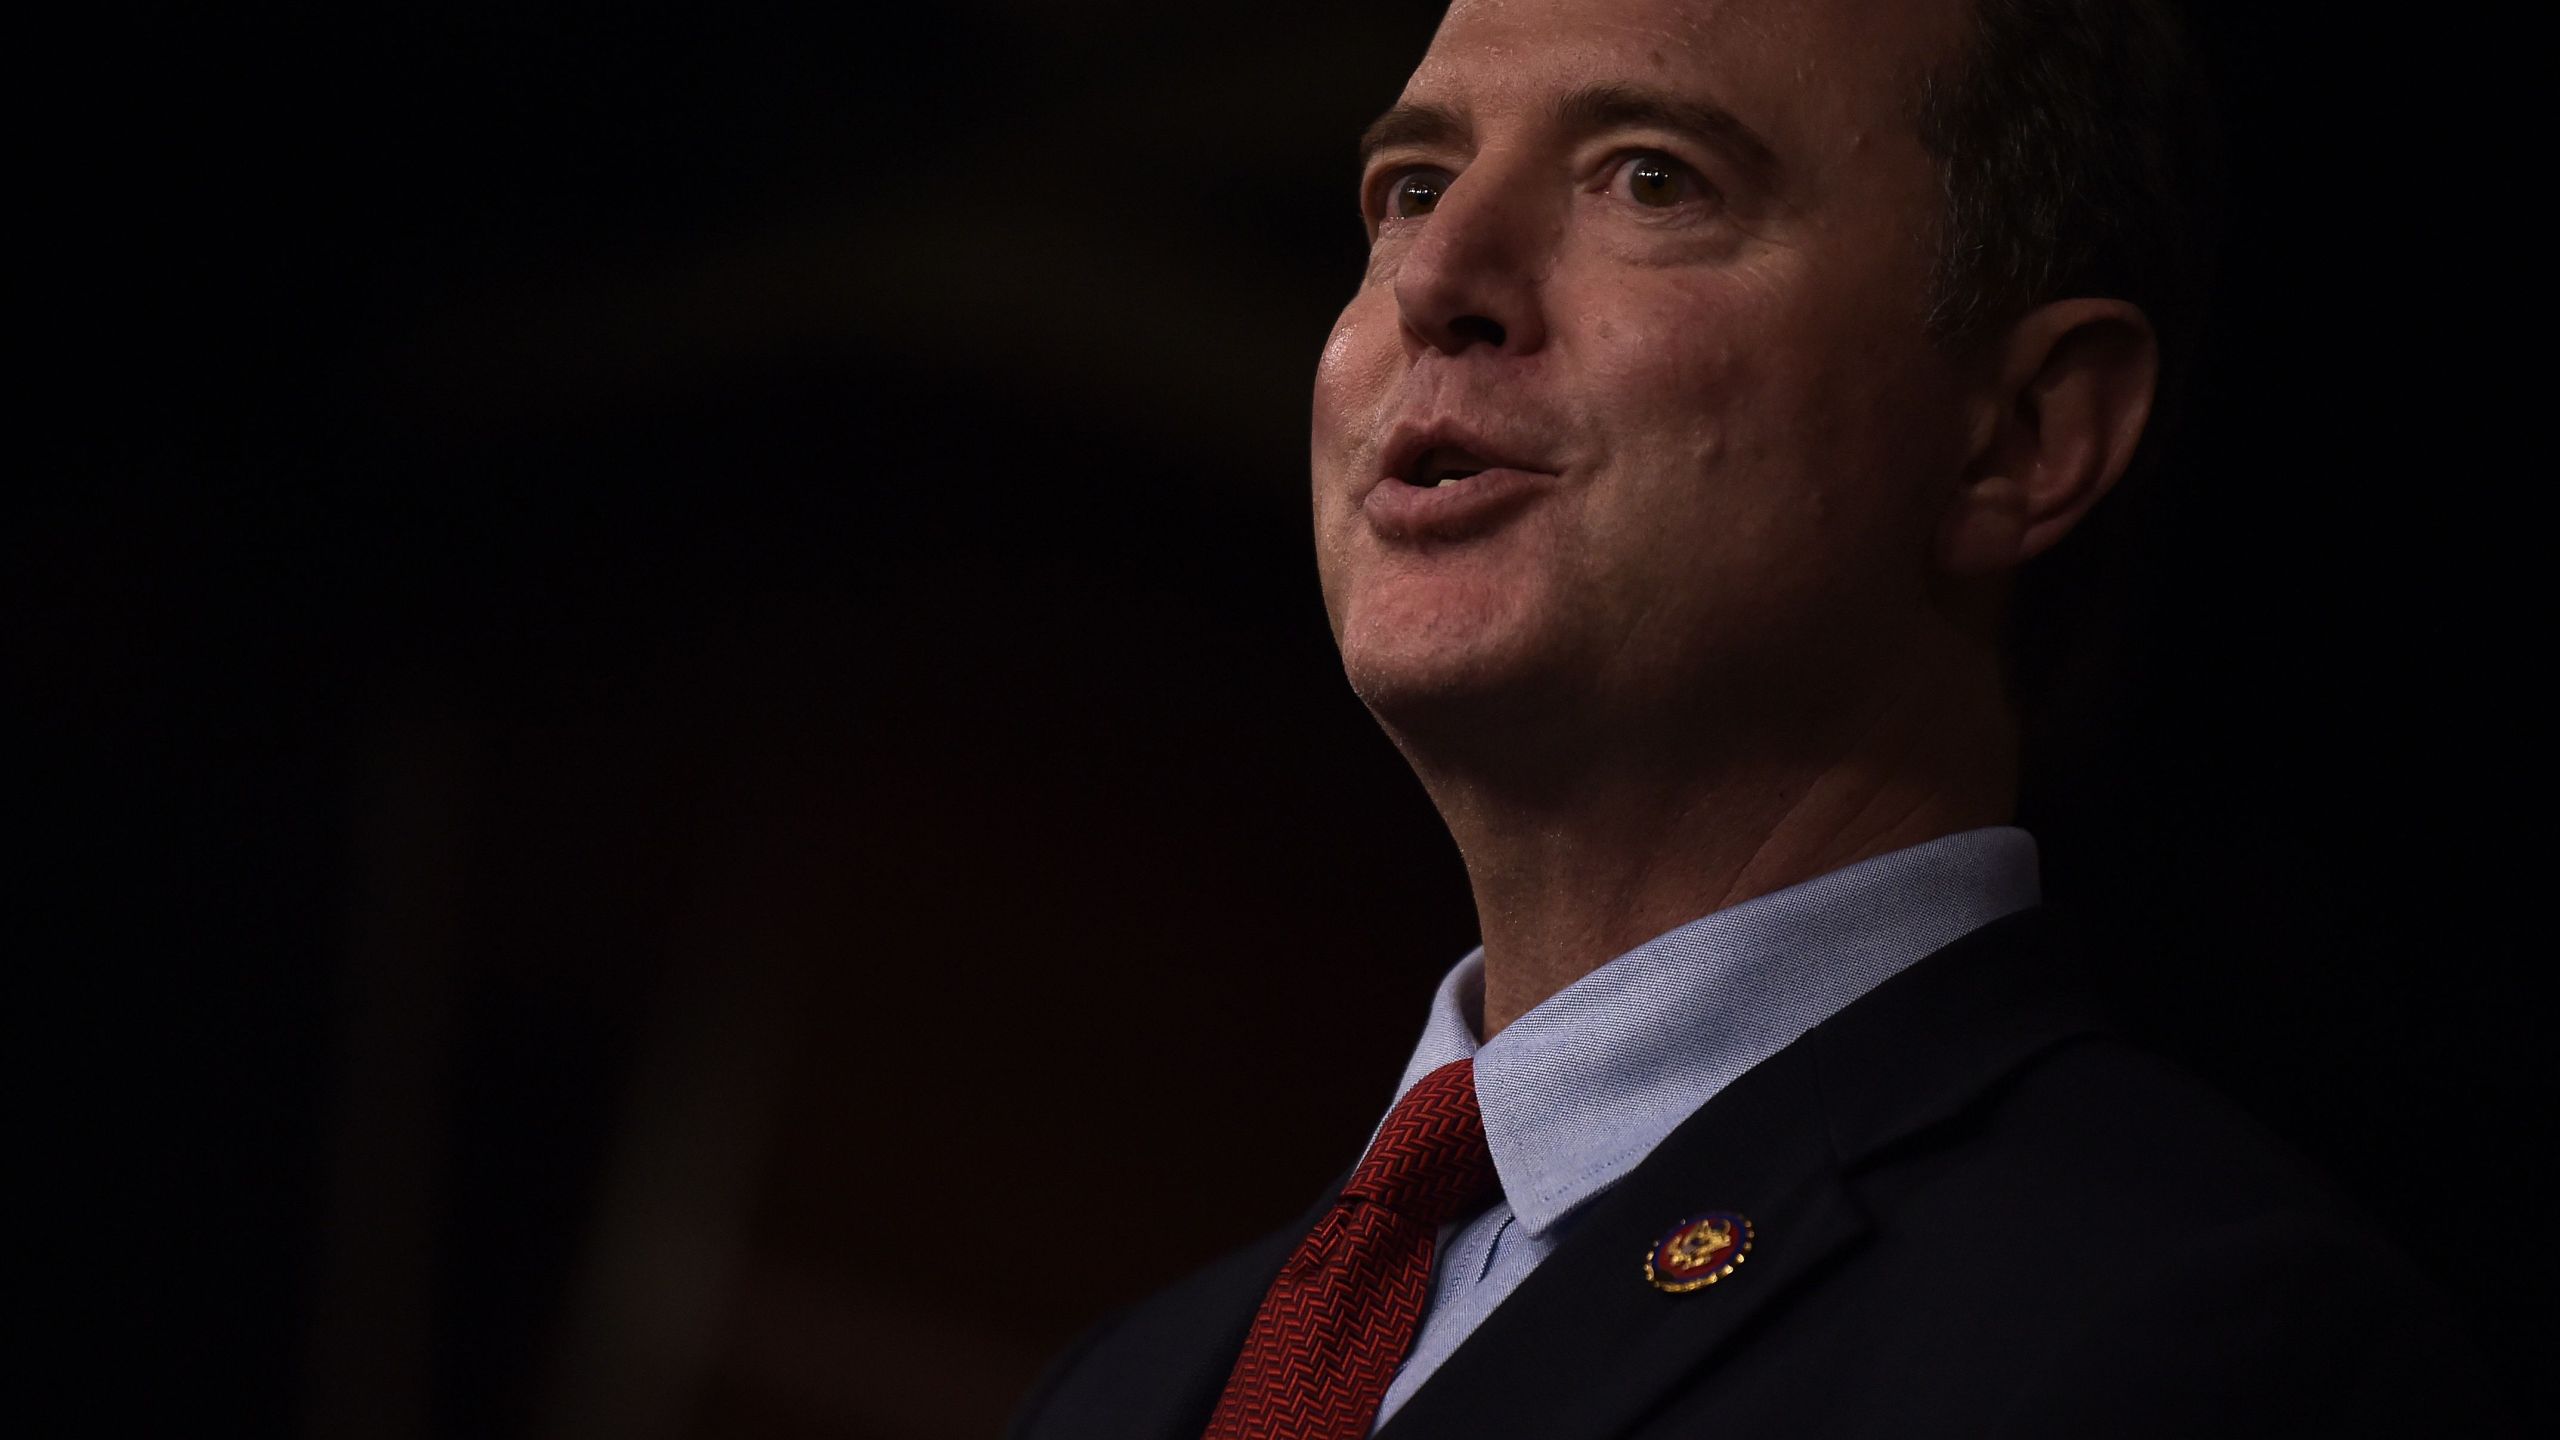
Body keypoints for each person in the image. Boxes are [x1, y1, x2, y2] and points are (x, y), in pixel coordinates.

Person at [1011, 0, 2507, 1435]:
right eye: (1411, 185)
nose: (1436, 275)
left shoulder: (2206, 1346)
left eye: (1652, 178)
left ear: (2025, 433)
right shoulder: (1135, 1388)